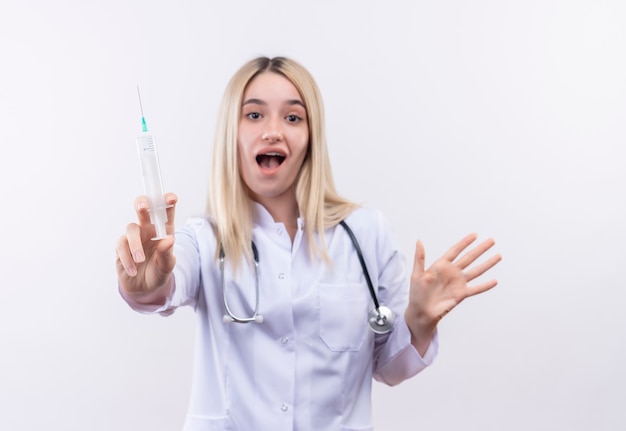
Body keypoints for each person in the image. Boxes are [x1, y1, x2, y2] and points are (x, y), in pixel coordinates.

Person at [115, 56, 501, 431]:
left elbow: (390, 368)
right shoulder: (203, 240)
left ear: (311, 137)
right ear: (231, 135)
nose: (272, 131)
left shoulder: (367, 234)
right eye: (254, 115)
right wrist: (144, 281)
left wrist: (418, 322)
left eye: (293, 117)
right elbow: (165, 283)